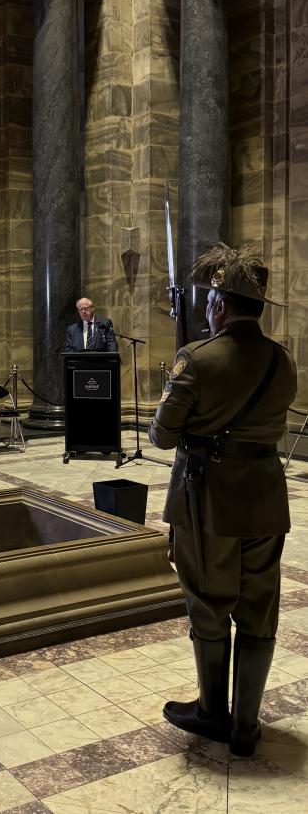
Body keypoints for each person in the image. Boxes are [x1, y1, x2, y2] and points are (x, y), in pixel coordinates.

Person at [149, 243, 296, 757]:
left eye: (211, 302)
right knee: (259, 609)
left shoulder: (197, 358)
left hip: (208, 500)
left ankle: (213, 711)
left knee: (209, 605)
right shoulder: (283, 360)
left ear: (220, 305)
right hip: (265, 499)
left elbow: (161, 436)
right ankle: (246, 726)